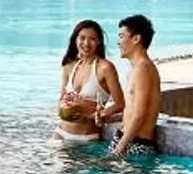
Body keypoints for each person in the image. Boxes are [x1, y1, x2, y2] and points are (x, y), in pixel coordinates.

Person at [56, 18, 124, 143]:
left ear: (99, 42)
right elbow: (60, 101)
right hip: (60, 134)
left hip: (87, 138)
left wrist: (98, 115)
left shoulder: (105, 68)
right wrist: (65, 106)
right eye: (82, 38)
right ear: (75, 40)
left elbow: (120, 104)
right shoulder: (69, 66)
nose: (86, 43)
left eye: (92, 39)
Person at [110, 14, 161, 159]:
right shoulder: (136, 68)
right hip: (127, 140)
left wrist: (119, 149)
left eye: (121, 36)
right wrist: (109, 118)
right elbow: (132, 111)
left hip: (135, 144)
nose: (118, 43)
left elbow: (140, 115)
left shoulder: (143, 68)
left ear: (136, 39)